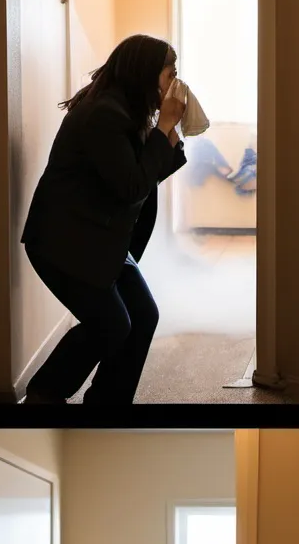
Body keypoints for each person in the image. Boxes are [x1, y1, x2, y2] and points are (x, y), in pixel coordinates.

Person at [20, 34, 188, 405]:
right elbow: (132, 186)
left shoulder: (126, 109)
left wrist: (168, 131)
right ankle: (44, 394)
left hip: (100, 238)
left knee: (142, 316)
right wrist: (162, 131)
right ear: (146, 73)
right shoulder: (104, 116)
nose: (174, 83)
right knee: (112, 325)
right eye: (170, 73)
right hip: (64, 243)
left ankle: (108, 405)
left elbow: (143, 175)